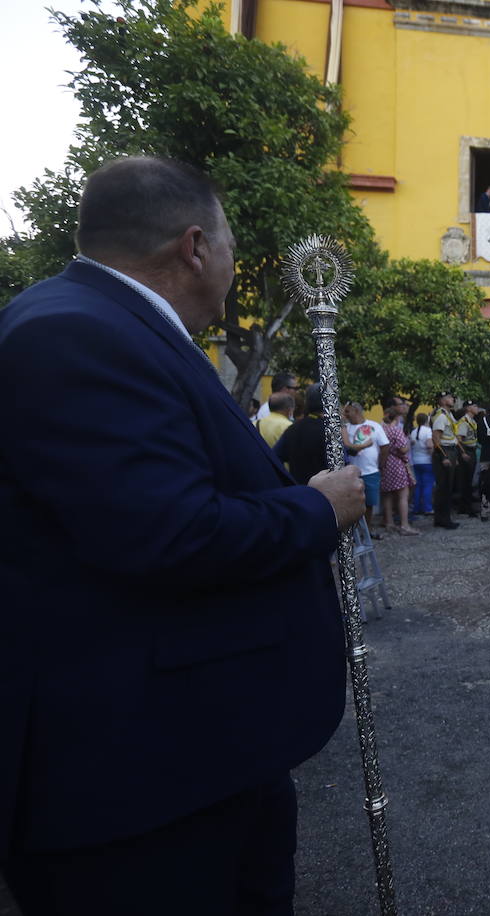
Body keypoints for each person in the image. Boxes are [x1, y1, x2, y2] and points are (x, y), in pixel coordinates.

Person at [0, 156, 363, 913]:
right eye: (230, 245)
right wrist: (317, 510)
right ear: (195, 247)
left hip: (197, 751)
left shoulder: (110, 325)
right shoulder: (75, 333)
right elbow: (170, 532)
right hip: (138, 784)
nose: (231, 263)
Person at [344, 401, 390, 539]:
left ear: (357, 411)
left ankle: (367, 530)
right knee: (352, 504)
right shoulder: (345, 428)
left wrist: (381, 464)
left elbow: (385, 446)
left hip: (371, 472)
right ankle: (354, 532)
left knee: (369, 503)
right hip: (350, 474)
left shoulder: (375, 426)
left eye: (347, 411)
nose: (345, 414)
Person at [274, 383, 330, 485]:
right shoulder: (330, 432)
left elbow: (275, 457)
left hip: (298, 489)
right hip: (326, 490)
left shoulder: (293, 429)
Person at [379, 399, 419, 536]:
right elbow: (403, 449)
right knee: (403, 495)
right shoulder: (396, 430)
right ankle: (404, 525)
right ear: (397, 418)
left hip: (385, 463)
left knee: (387, 495)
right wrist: (407, 444)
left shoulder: (382, 429)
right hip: (397, 463)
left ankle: (389, 523)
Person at [430, 392, 462, 529]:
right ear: (442, 401)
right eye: (449, 397)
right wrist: (444, 457)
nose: (452, 399)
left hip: (451, 451)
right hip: (444, 452)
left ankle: (443, 518)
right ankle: (443, 519)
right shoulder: (441, 416)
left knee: (448, 487)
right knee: (443, 487)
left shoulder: (448, 415)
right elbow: (436, 438)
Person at [410, 411, 435, 516]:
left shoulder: (413, 432)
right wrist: (432, 454)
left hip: (416, 461)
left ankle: (417, 508)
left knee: (418, 486)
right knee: (427, 486)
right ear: (426, 420)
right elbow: (429, 445)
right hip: (427, 461)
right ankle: (428, 508)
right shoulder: (428, 430)